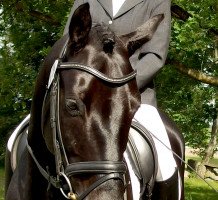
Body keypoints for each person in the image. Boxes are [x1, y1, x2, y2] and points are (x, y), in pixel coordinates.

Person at [64, 0, 180, 199]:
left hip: (133, 97)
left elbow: (155, 56)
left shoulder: (158, 2)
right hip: (83, 97)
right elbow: (68, 42)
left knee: (165, 160)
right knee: (20, 137)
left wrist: (117, 88)